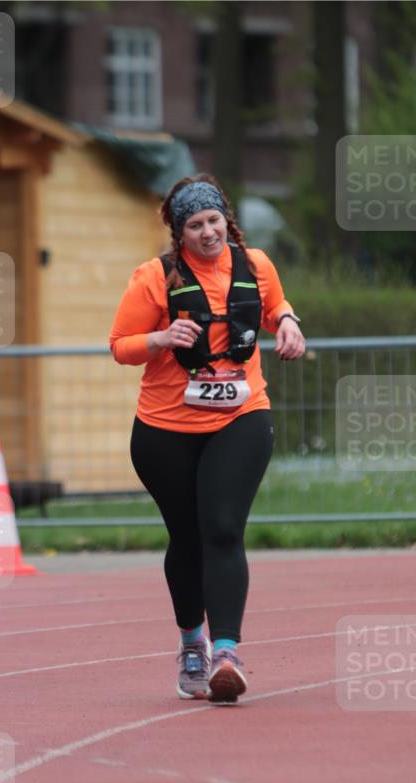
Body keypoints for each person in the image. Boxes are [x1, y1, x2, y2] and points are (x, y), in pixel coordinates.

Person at [110, 174, 305, 703]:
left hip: (240, 417)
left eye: (214, 221)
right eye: (194, 225)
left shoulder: (256, 264)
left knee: (221, 528)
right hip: (165, 428)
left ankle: (226, 653)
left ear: (227, 220)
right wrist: (161, 337)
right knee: (188, 538)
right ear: (180, 232)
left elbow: (275, 306)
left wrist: (288, 322)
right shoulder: (154, 278)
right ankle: (190, 642)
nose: (207, 233)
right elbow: (121, 346)